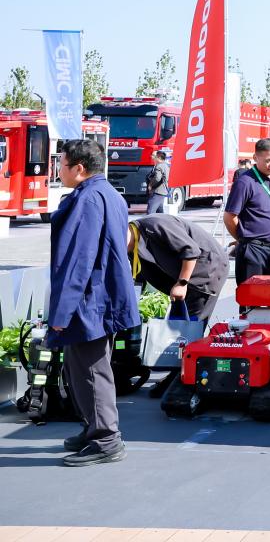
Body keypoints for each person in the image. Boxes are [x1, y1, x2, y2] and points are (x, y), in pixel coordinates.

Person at [47, 139, 140, 467]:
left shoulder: (87, 199)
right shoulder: (109, 193)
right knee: (81, 367)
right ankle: (93, 428)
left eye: (61, 164)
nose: (58, 170)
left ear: (79, 168)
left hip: (90, 300)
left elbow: (79, 260)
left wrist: (61, 312)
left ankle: (105, 440)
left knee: (91, 371)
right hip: (102, 296)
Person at [224, 138, 270, 313]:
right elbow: (230, 217)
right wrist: (242, 238)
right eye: (268, 160)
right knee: (252, 303)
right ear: (255, 158)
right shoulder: (245, 182)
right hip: (254, 252)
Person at [128, 214, 229, 320]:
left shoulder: (155, 225)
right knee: (177, 323)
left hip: (207, 268)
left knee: (191, 324)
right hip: (181, 277)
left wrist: (182, 283)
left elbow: (191, 251)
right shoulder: (131, 246)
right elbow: (139, 274)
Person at [145, 149, 169, 214]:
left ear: (159, 157)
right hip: (162, 192)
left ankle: (150, 221)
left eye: (155, 156)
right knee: (160, 212)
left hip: (157, 191)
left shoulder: (159, 166)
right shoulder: (166, 165)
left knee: (150, 211)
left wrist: (150, 185)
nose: (153, 157)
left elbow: (157, 178)